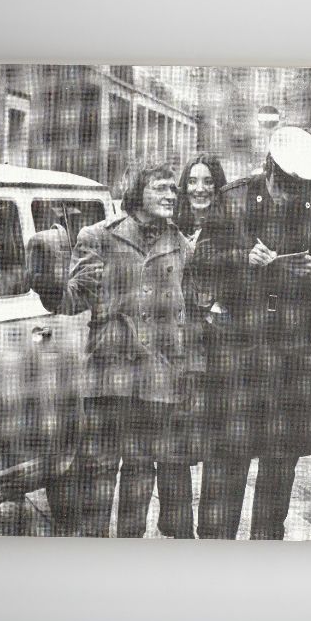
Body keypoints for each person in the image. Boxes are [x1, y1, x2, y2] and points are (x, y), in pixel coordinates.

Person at [189, 127, 311, 540]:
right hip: (239, 347)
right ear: (269, 171)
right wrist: (243, 257)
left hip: (296, 350)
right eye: (284, 187)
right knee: (227, 457)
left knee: (280, 461)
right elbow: (202, 257)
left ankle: (266, 545)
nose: (290, 197)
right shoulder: (234, 198)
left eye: (299, 190)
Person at [62, 159, 195, 538]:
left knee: (140, 468)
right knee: (99, 469)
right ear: (137, 192)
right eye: (161, 188)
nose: (172, 195)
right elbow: (73, 299)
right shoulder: (99, 236)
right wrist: (51, 282)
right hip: (109, 376)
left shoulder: (181, 244)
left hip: (157, 380)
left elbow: (190, 313)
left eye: (173, 189)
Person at [154, 153, 229, 539]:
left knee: (217, 447)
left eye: (208, 182)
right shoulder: (168, 230)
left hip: (217, 355)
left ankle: (212, 533)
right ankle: (178, 530)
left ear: (219, 187)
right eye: (193, 182)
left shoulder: (231, 232)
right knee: (171, 447)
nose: (200, 189)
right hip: (174, 354)